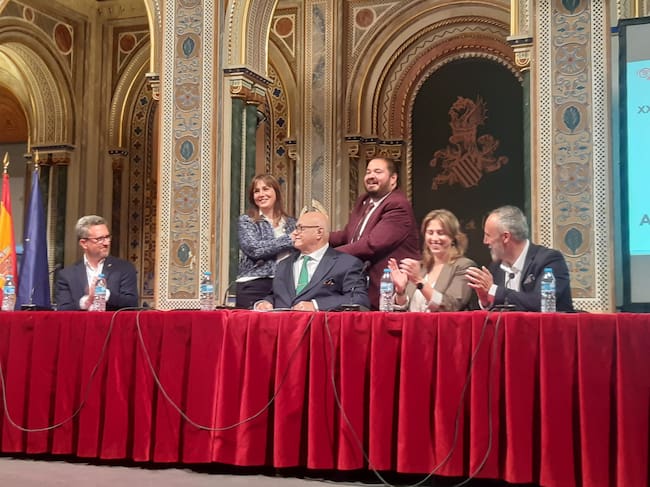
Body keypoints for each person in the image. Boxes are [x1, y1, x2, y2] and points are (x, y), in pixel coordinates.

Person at [329, 157, 420, 309]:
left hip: (388, 291)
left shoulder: (398, 205)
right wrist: (317, 238)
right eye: (368, 172)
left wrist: (328, 255)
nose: (371, 176)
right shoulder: (364, 201)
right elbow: (348, 236)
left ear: (393, 179)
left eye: (378, 172)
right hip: (359, 288)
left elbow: (372, 244)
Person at [466, 205, 574, 312]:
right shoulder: (496, 267)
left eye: (488, 235)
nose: (485, 241)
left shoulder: (549, 260)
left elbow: (540, 303)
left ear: (505, 237)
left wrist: (494, 290)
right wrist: (486, 300)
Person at [254, 211, 370, 311]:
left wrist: (316, 305)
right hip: (283, 326)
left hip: (320, 327)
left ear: (319, 232)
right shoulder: (284, 264)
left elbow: (358, 299)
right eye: (295, 228)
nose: (295, 233)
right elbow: (276, 295)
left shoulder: (346, 264)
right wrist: (265, 303)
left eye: (301, 228)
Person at [388, 209, 476, 312]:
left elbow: (451, 306)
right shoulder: (421, 267)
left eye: (440, 233)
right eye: (430, 233)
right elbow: (402, 310)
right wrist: (400, 291)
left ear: (453, 237)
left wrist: (418, 281)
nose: (434, 238)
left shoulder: (464, 266)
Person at [236, 174, 297, 308]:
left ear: (276, 192)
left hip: (285, 284)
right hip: (254, 284)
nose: (261, 194)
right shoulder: (247, 221)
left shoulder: (291, 223)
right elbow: (255, 250)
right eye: (256, 191)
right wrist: (289, 239)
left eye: (265, 189)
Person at [55, 215, 138, 310]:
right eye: (100, 239)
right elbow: (62, 309)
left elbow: (132, 303)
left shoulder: (124, 268)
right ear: (84, 243)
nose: (106, 243)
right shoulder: (67, 275)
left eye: (107, 237)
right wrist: (86, 302)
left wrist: (104, 294)